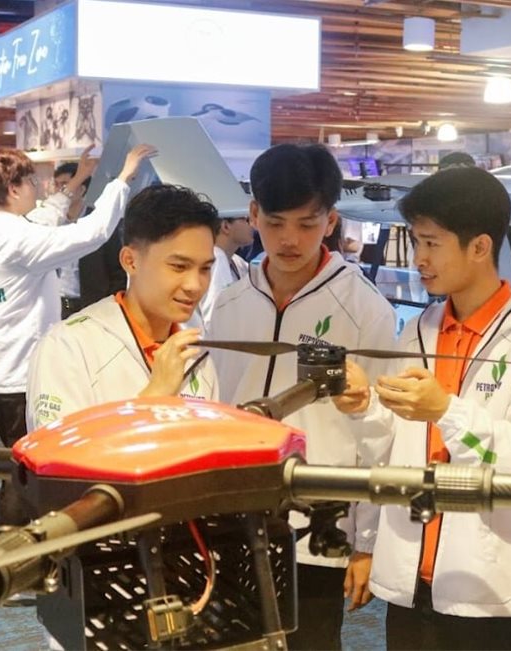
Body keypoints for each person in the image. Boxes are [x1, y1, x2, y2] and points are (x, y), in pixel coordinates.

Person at [333, 166, 511, 651]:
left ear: (480, 247)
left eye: (431, 243)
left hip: (488, 592)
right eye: (415, 241)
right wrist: (363, 408)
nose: (418, 258)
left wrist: (447, 411)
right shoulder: (418, 329)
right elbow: (392, 449)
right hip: (410, 580)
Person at [204, 144, 396, 650]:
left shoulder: (364, 309)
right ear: (253, 214)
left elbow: (383, 434)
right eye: (275, 222)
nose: (290, 239)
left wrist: (367, 542)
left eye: (307, 224)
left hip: (317, 530)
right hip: (236, 518)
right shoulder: (230, 302)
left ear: (331, 221)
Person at [0, 143, 154, 528]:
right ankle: (13, 545)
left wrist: (78, 179)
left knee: (21, 456)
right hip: (17, 368)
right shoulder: (16, 240)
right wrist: (122, 178)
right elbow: (93, 233)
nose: (38, 188)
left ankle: (25, 538)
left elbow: (43, 218)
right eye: (32, 182)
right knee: (24, 461)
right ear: (13, 189)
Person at [27, 184, 220, 431]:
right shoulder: (69, 345)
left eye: (205, 269)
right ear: (130, 261)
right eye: (179, 267)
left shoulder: (196, 353)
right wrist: (154, 397)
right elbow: (56, 449)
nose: (195, 285)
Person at [189, 213, 253, 328]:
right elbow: (216, 319)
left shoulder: (236, 261)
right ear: (226, 226)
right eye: (246, 219)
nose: (252, 224)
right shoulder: (215, 258)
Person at [50, 162, 89, 319]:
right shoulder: (52, 222)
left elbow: (116, 272)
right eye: (57, 185)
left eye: (65, 185)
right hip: (56, 304)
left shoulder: (97, 222)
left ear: (82, 189)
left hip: (89, 304)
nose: (60, 190)